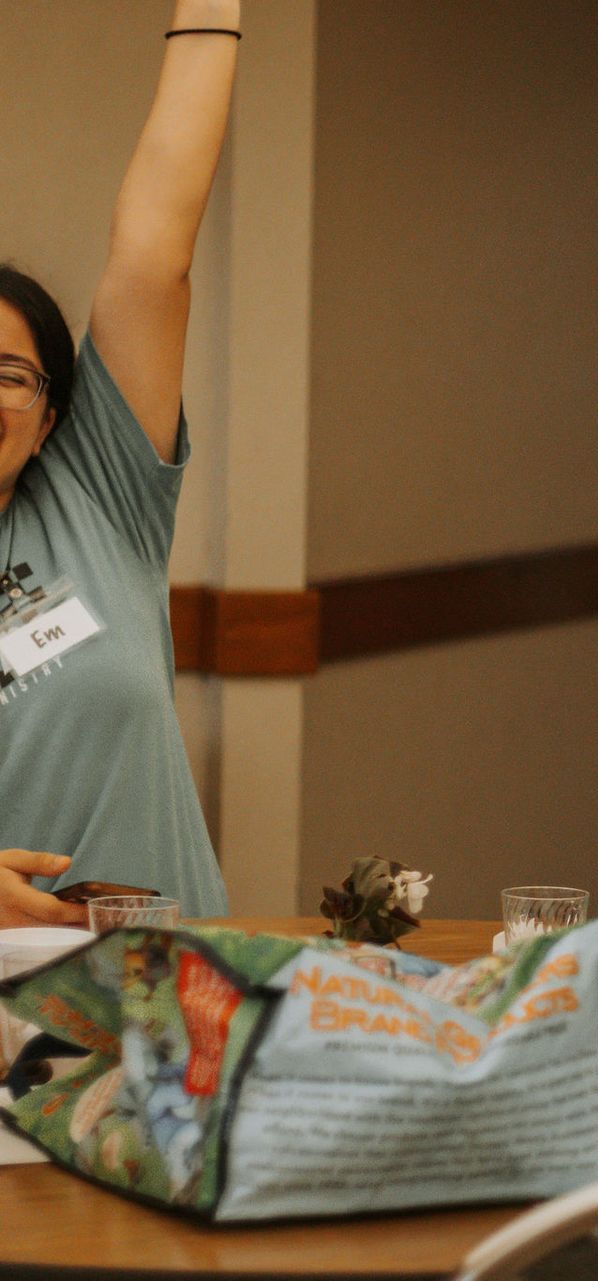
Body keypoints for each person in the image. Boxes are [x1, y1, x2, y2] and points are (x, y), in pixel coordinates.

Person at [0, 1, 242, 927]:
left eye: (11, 374)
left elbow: (153, 251)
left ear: (53, 412)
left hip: (179, 989)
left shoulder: (96, 494)